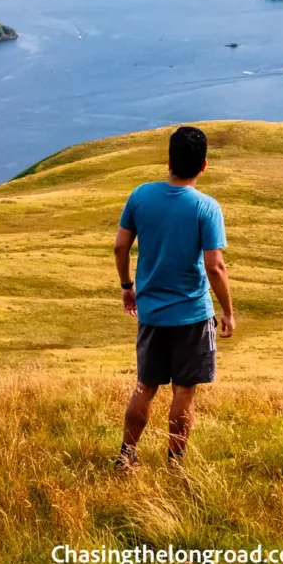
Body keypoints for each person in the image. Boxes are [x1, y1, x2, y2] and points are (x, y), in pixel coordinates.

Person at [113, 125, 235, 467]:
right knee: (184, 392)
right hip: (193, 316)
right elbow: (215, 267)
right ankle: (175, 463)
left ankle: (127, 455)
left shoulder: (140, 196)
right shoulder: (206, 207)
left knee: (145, 385)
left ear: (168, 160)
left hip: (151, 313)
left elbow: (121, 245)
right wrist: (228, 310)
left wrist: (127, 287)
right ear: (204, 165)